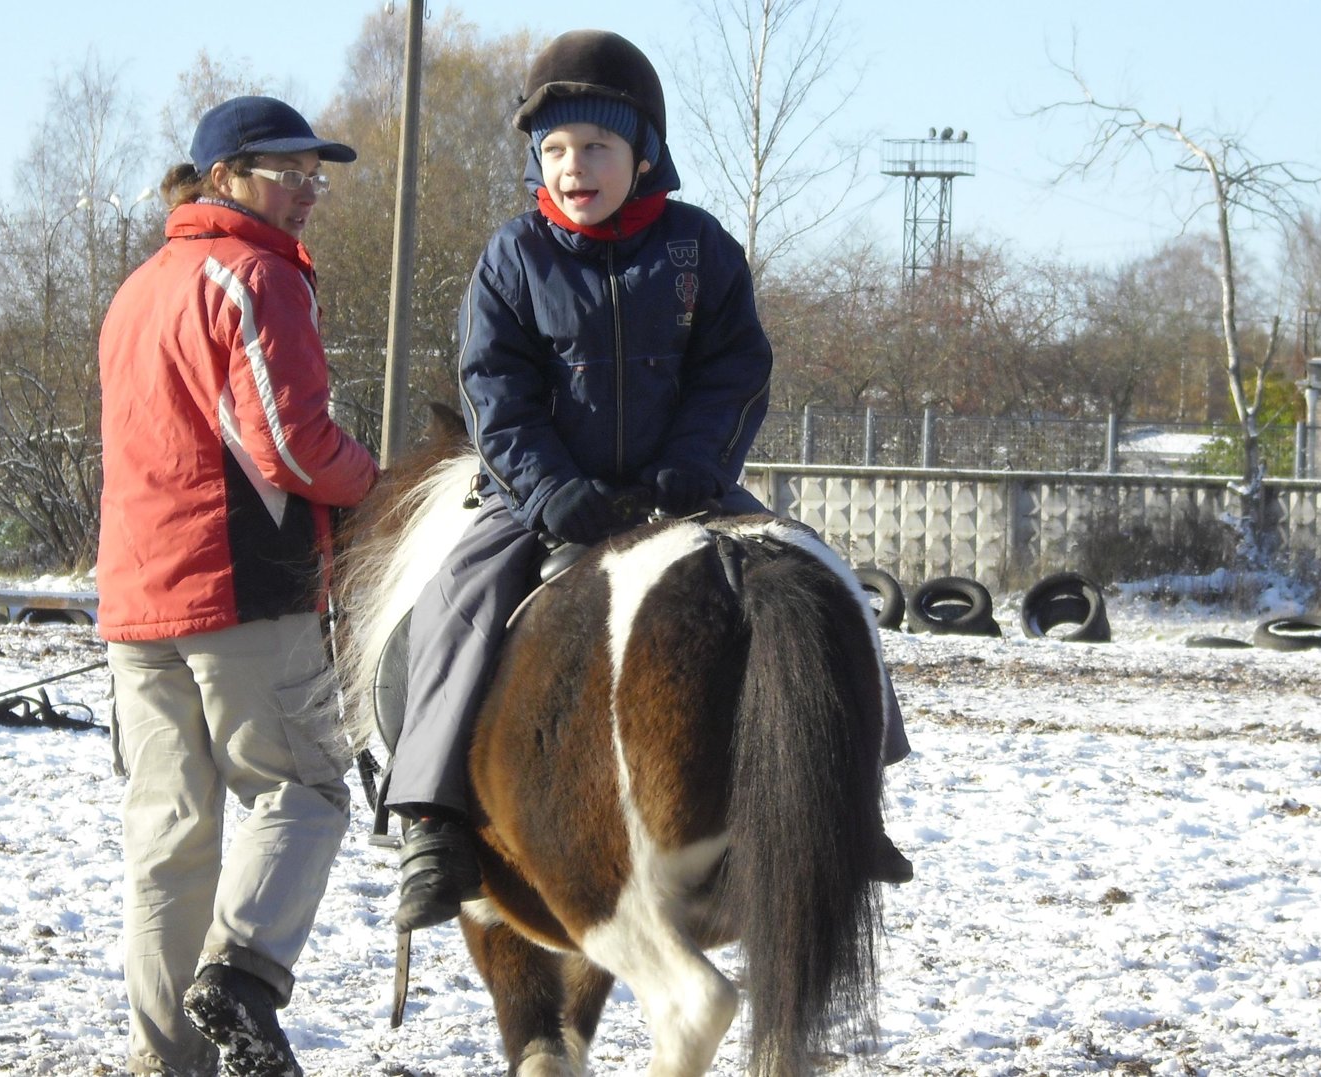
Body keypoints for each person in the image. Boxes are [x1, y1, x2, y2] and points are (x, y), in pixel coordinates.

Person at [385, 29, 912, 935]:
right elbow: (496, 392)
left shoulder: (699, 250)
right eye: (553, 151)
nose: (572, 167)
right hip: (545, 499)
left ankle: (853, 799)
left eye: (594, 147)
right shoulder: (513, 260)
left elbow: (736, 367)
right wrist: (552, 491)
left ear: (644, 152)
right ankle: (431, 816)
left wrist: (696, 465)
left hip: (687, 488)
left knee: (811, 575)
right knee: (458, 597)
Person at [96, 95, 377, 1077]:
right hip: (240, 593)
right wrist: (371, 483)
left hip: (137, 603)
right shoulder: (256, 275)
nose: (307, 191)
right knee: (303, 787)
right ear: (225, 178)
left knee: (171, 842)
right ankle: (244, 970)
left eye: (316, 174)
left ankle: (166, 1061)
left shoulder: (139, 288)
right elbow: (293, 443)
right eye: (285, 171)